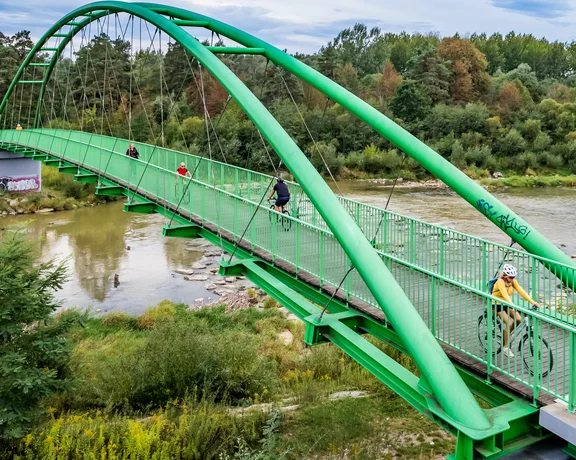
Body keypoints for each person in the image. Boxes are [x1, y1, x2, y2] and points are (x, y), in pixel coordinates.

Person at [491, 263, 539, 357]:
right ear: (505, 276)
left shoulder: (512, 282)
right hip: (497, 304)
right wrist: (512, 305)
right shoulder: (500, 282)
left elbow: (522, 291)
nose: (513, 279)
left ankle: (507, 334)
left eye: (514, 277)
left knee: (519, 319)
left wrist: (532, 302)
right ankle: (505, 348)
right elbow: (504, 294)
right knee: (509, 323)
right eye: (511, 277)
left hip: (507, 303)